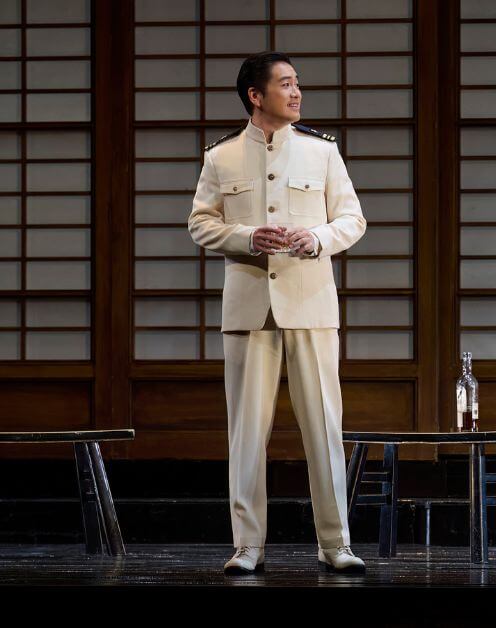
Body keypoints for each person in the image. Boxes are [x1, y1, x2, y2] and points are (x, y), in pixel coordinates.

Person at [189, 51, 368, 575]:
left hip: (310, 304)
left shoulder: (321, 152)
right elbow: (200, 224)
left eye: (297, 85)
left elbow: (353, 219)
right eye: (285, 85)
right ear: (255, 95)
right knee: (246, 432)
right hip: (248, 308)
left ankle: (335, 543)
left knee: (324, 428)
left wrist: (314, 238)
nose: (296, 93)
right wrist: (246, 236)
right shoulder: (220, 157)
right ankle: (248, 546)